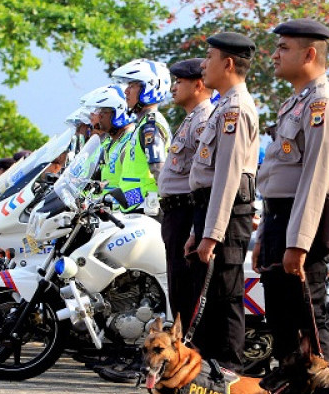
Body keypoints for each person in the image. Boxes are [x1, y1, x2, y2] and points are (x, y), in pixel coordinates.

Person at [236, 19, 329, 394]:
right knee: (283, 320)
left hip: (306, 223)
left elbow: (316, 181)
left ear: (309, 54)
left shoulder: (324, 105)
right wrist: (267, 233)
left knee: (307, 322)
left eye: (284, 47)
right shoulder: (297, 102)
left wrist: (298, 243)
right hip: (282, 218)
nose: (275, 54)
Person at [182, 31, 259, 372]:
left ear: (227, 63)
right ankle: (211, 370)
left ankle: (229, 372)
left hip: (226, 213)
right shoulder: (222, 106)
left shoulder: (235, 109)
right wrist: (200, 230)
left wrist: (212, 232)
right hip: (210, 209)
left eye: (209, 57)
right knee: (210, 295)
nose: (203, 64)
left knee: (226, 295)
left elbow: (228, 175)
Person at [158, 58, 214, 329]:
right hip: (174, 213)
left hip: (185, 212)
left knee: (186, 290)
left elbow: (203, 177)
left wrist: (194, 225)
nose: (173, 88)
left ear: (198, 84)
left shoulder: (204, 120)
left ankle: (188, 352)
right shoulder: (191, 119)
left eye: (179, 82)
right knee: (177, 287)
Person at [111, 59, 172, 212]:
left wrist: (128, 198)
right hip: (134, 208)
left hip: (147, 210)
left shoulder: (150, 126)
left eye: (132, 85)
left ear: (149, 87)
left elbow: (159, 173)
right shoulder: (142, 124)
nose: (126, 91)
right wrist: (118, 199)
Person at [81, 84, 136, 194]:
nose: (99, 116)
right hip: (108, 209)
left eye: (103, 112)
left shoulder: (131, 140)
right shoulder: (110, 143)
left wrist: (116, 202)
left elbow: (134, 185)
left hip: (127, 210)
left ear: (117, 112)